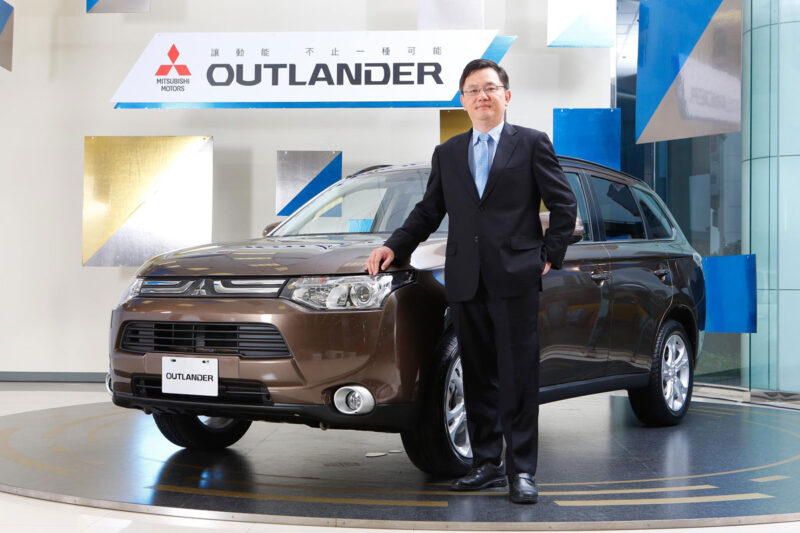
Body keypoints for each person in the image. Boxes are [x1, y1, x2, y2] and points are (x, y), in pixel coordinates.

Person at [365, 59, 577, 504]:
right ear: (462, 101)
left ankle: (522, 470)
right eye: (473, 90)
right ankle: (486, 464)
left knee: (518, 378)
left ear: (506, 95)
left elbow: (564, 204)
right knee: (477, 376)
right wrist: (393, 247)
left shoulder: (532, 143)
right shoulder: (448, 153)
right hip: (465, 280)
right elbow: (428, 211)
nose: (482, 96)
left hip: (515, 279)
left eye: (490, 88)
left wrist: (547, 256)